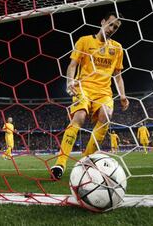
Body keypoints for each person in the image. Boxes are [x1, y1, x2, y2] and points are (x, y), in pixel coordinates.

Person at [51, 11, 129, 180]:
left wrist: (122, 95)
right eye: (111, 24)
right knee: (79, 116)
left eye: (116, 27)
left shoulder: (117, 48)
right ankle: (60, 163)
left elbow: (118, 75)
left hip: (104, 92)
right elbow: (72, 65)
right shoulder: (85, 41)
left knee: (106, 117)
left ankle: (85, 162)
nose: (112, 29)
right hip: (83, 87)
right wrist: (69, 82)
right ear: (102, 22)